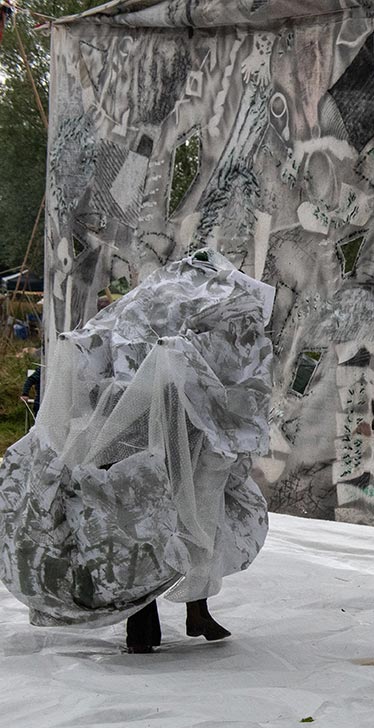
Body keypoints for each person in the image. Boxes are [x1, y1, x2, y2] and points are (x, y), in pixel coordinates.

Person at [0, 251, 276, 654]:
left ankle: (182, 614)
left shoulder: (154, 302)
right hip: (141, 427)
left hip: (156, 427)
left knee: (169, 520)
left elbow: (103, 344)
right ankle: (157, 620)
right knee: (155, 524)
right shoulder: (181, 307)